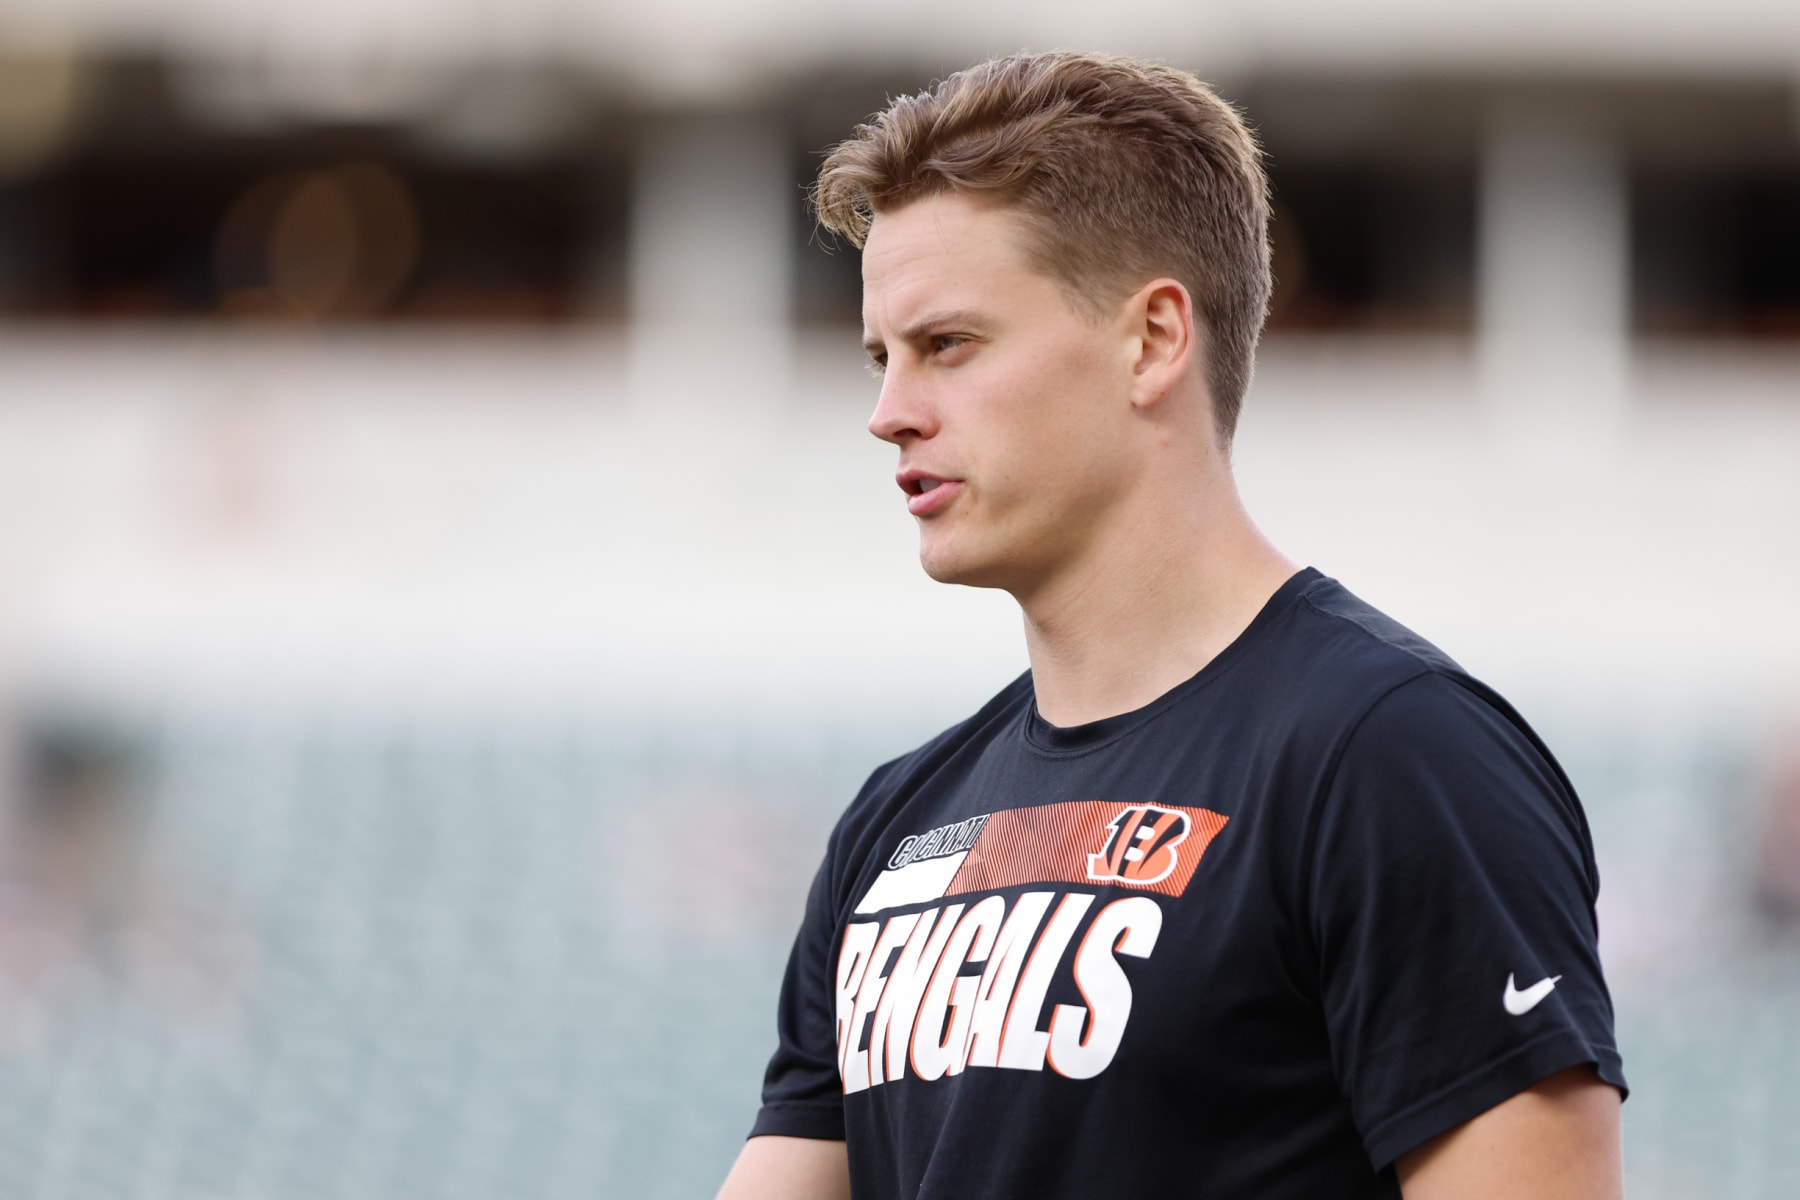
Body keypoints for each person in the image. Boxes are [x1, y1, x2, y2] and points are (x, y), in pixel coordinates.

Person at [717, 51, 1626, 1200]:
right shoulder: (897, 827)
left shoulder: (1392, 757)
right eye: (880, 358)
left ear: (1150, 340)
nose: (889, 413)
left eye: (947, 345)